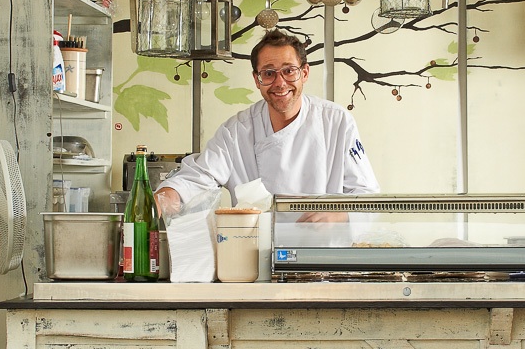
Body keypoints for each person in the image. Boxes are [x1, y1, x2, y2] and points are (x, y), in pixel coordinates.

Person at [154, 29, 378, 222]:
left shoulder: (336, 121)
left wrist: (340, 214)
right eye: (269, 73)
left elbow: (367, 195)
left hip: (323, 251)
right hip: (255, 252)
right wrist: (167, 196)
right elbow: (199, 177)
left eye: (289, 71)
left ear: (304, 73)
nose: (280, 83)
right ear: (257, 79)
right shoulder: (236, 131)